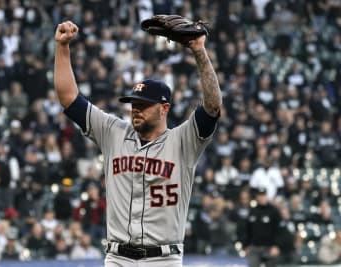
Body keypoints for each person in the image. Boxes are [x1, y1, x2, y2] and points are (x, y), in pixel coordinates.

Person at [54, 20, 221, 267]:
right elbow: (69, 98)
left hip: (164, 259)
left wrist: (199, 51)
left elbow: (212, 106)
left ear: (164, 108)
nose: (136, 110)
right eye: (133, 104)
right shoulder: (113, 132)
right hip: (117, 257)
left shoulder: (183, 141)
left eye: (143, 105)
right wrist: (62, 47)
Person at [244, 187, 282, 267]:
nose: (262, 198)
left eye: (263, 195)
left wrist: (276, 245)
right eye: (260, 196)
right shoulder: (252, 211)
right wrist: (246, 245)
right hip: (254, 247)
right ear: (257, 197)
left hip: (269, 247)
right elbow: (247, 230)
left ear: (266, 196)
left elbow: (279, 230)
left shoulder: (273, 211)